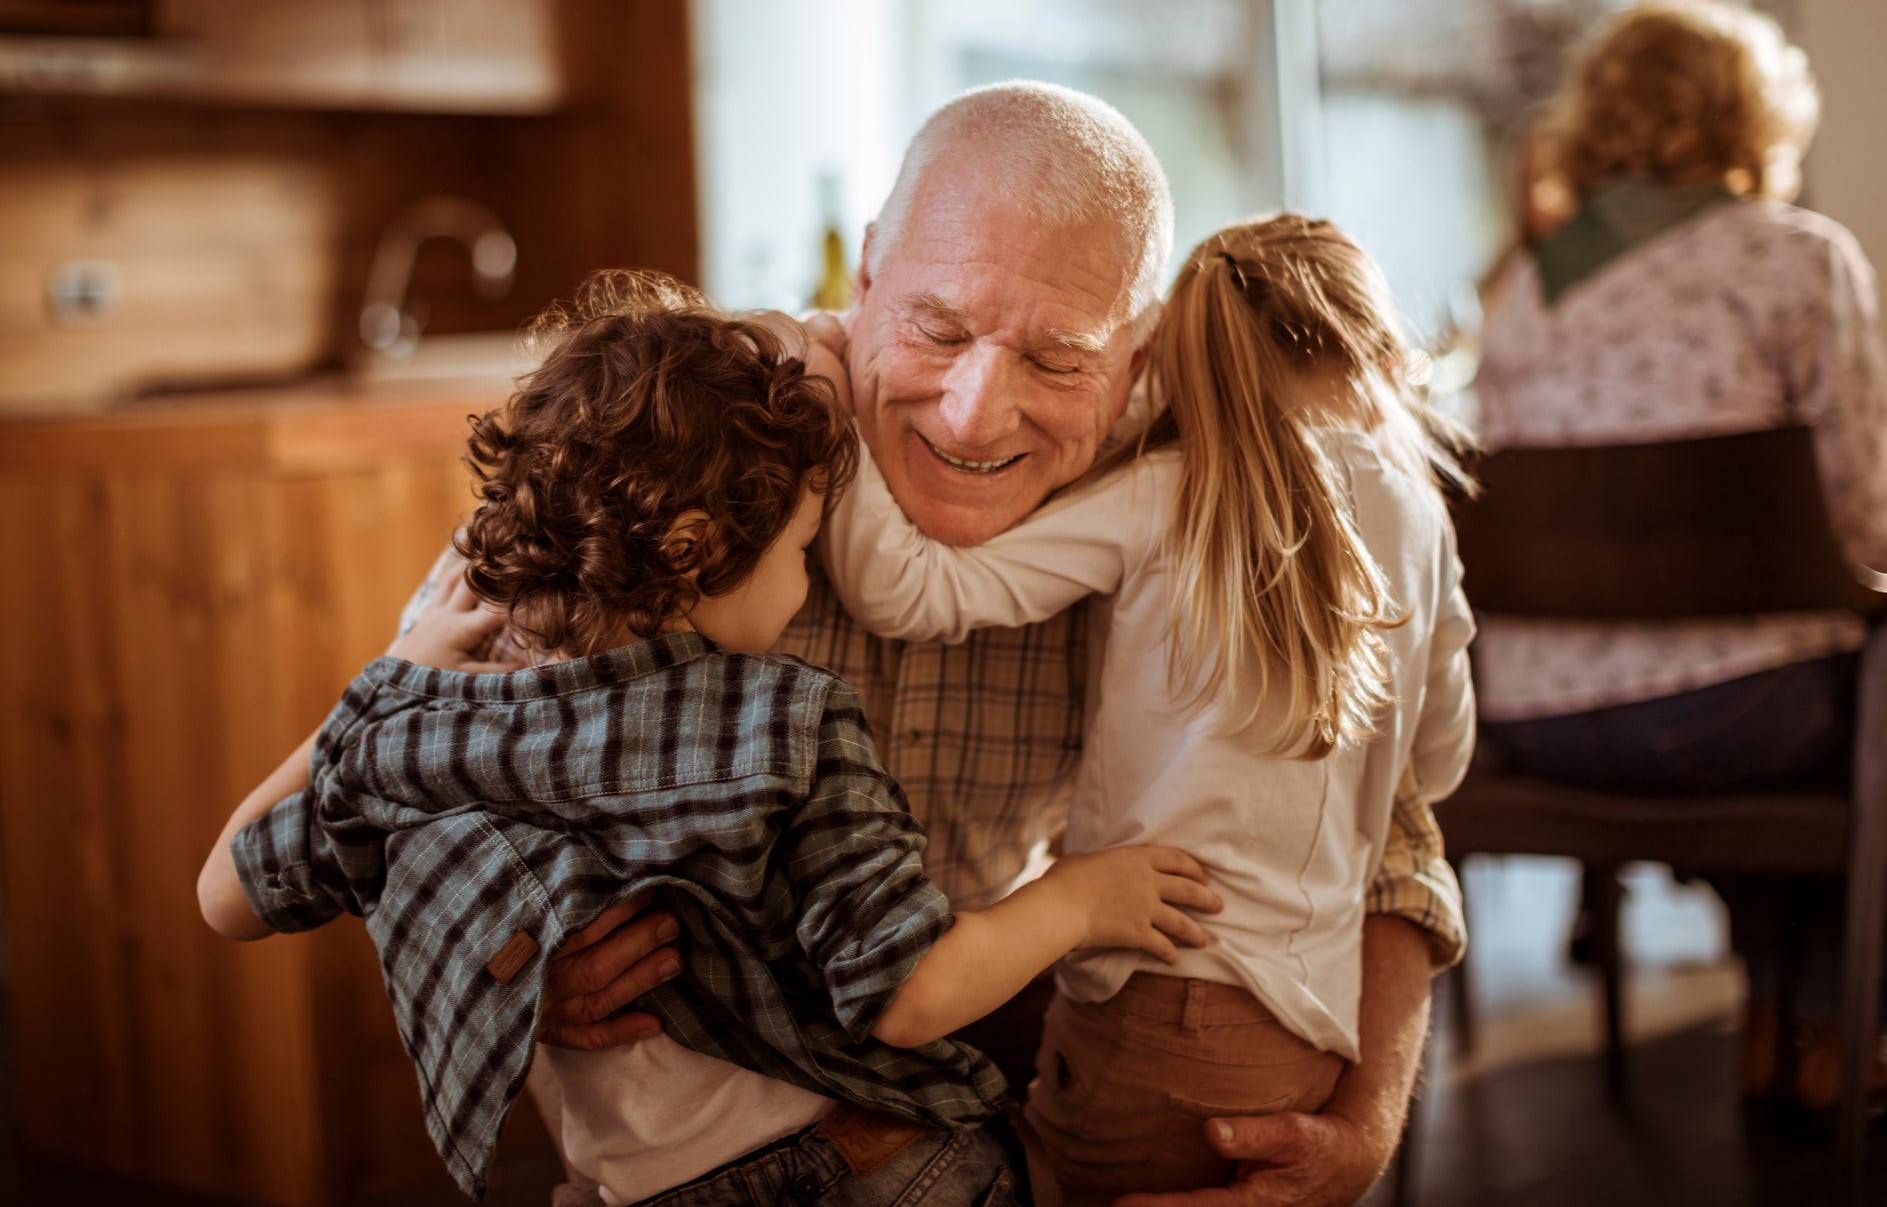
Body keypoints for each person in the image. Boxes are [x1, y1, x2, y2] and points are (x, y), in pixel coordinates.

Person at [418, 83, 1468, 1207]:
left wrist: (1359, 1128)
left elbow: (1389, 824)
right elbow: (404, 764)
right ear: (866, 276)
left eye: (1057, 359)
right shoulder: (686, 431)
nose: (975, 414)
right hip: (673, 1144)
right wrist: (515, 962)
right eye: (940, 328)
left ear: (1139, 353)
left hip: (980, 1079)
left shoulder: (1183, 485)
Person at [196, 272, 1222, 1205]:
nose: (808, 580)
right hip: (874, 1171)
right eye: (803, 550)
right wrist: (1085, 896)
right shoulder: (784, 722)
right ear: (696, 550)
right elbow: (908, 994)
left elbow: (226, 894)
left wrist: (389, 686)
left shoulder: (432, 721)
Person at [804, 214, 1476, 1201]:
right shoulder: (1421, 516)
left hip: (1149, 998)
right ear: (1378, 346)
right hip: (1307, 1025)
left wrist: (828, 386)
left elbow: (906, 591)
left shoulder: (1168, 489)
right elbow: (1441, 763)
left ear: (1168, 357)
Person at [1471, 0, 1887, 1111]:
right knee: (1850, 691)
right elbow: (1865, 521)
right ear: (1757, 119)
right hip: (1735, 717)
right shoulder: (1799, 257)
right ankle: (1833, 1025)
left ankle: (1785, 1014)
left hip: (1534, 720)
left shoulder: (1520, 291)